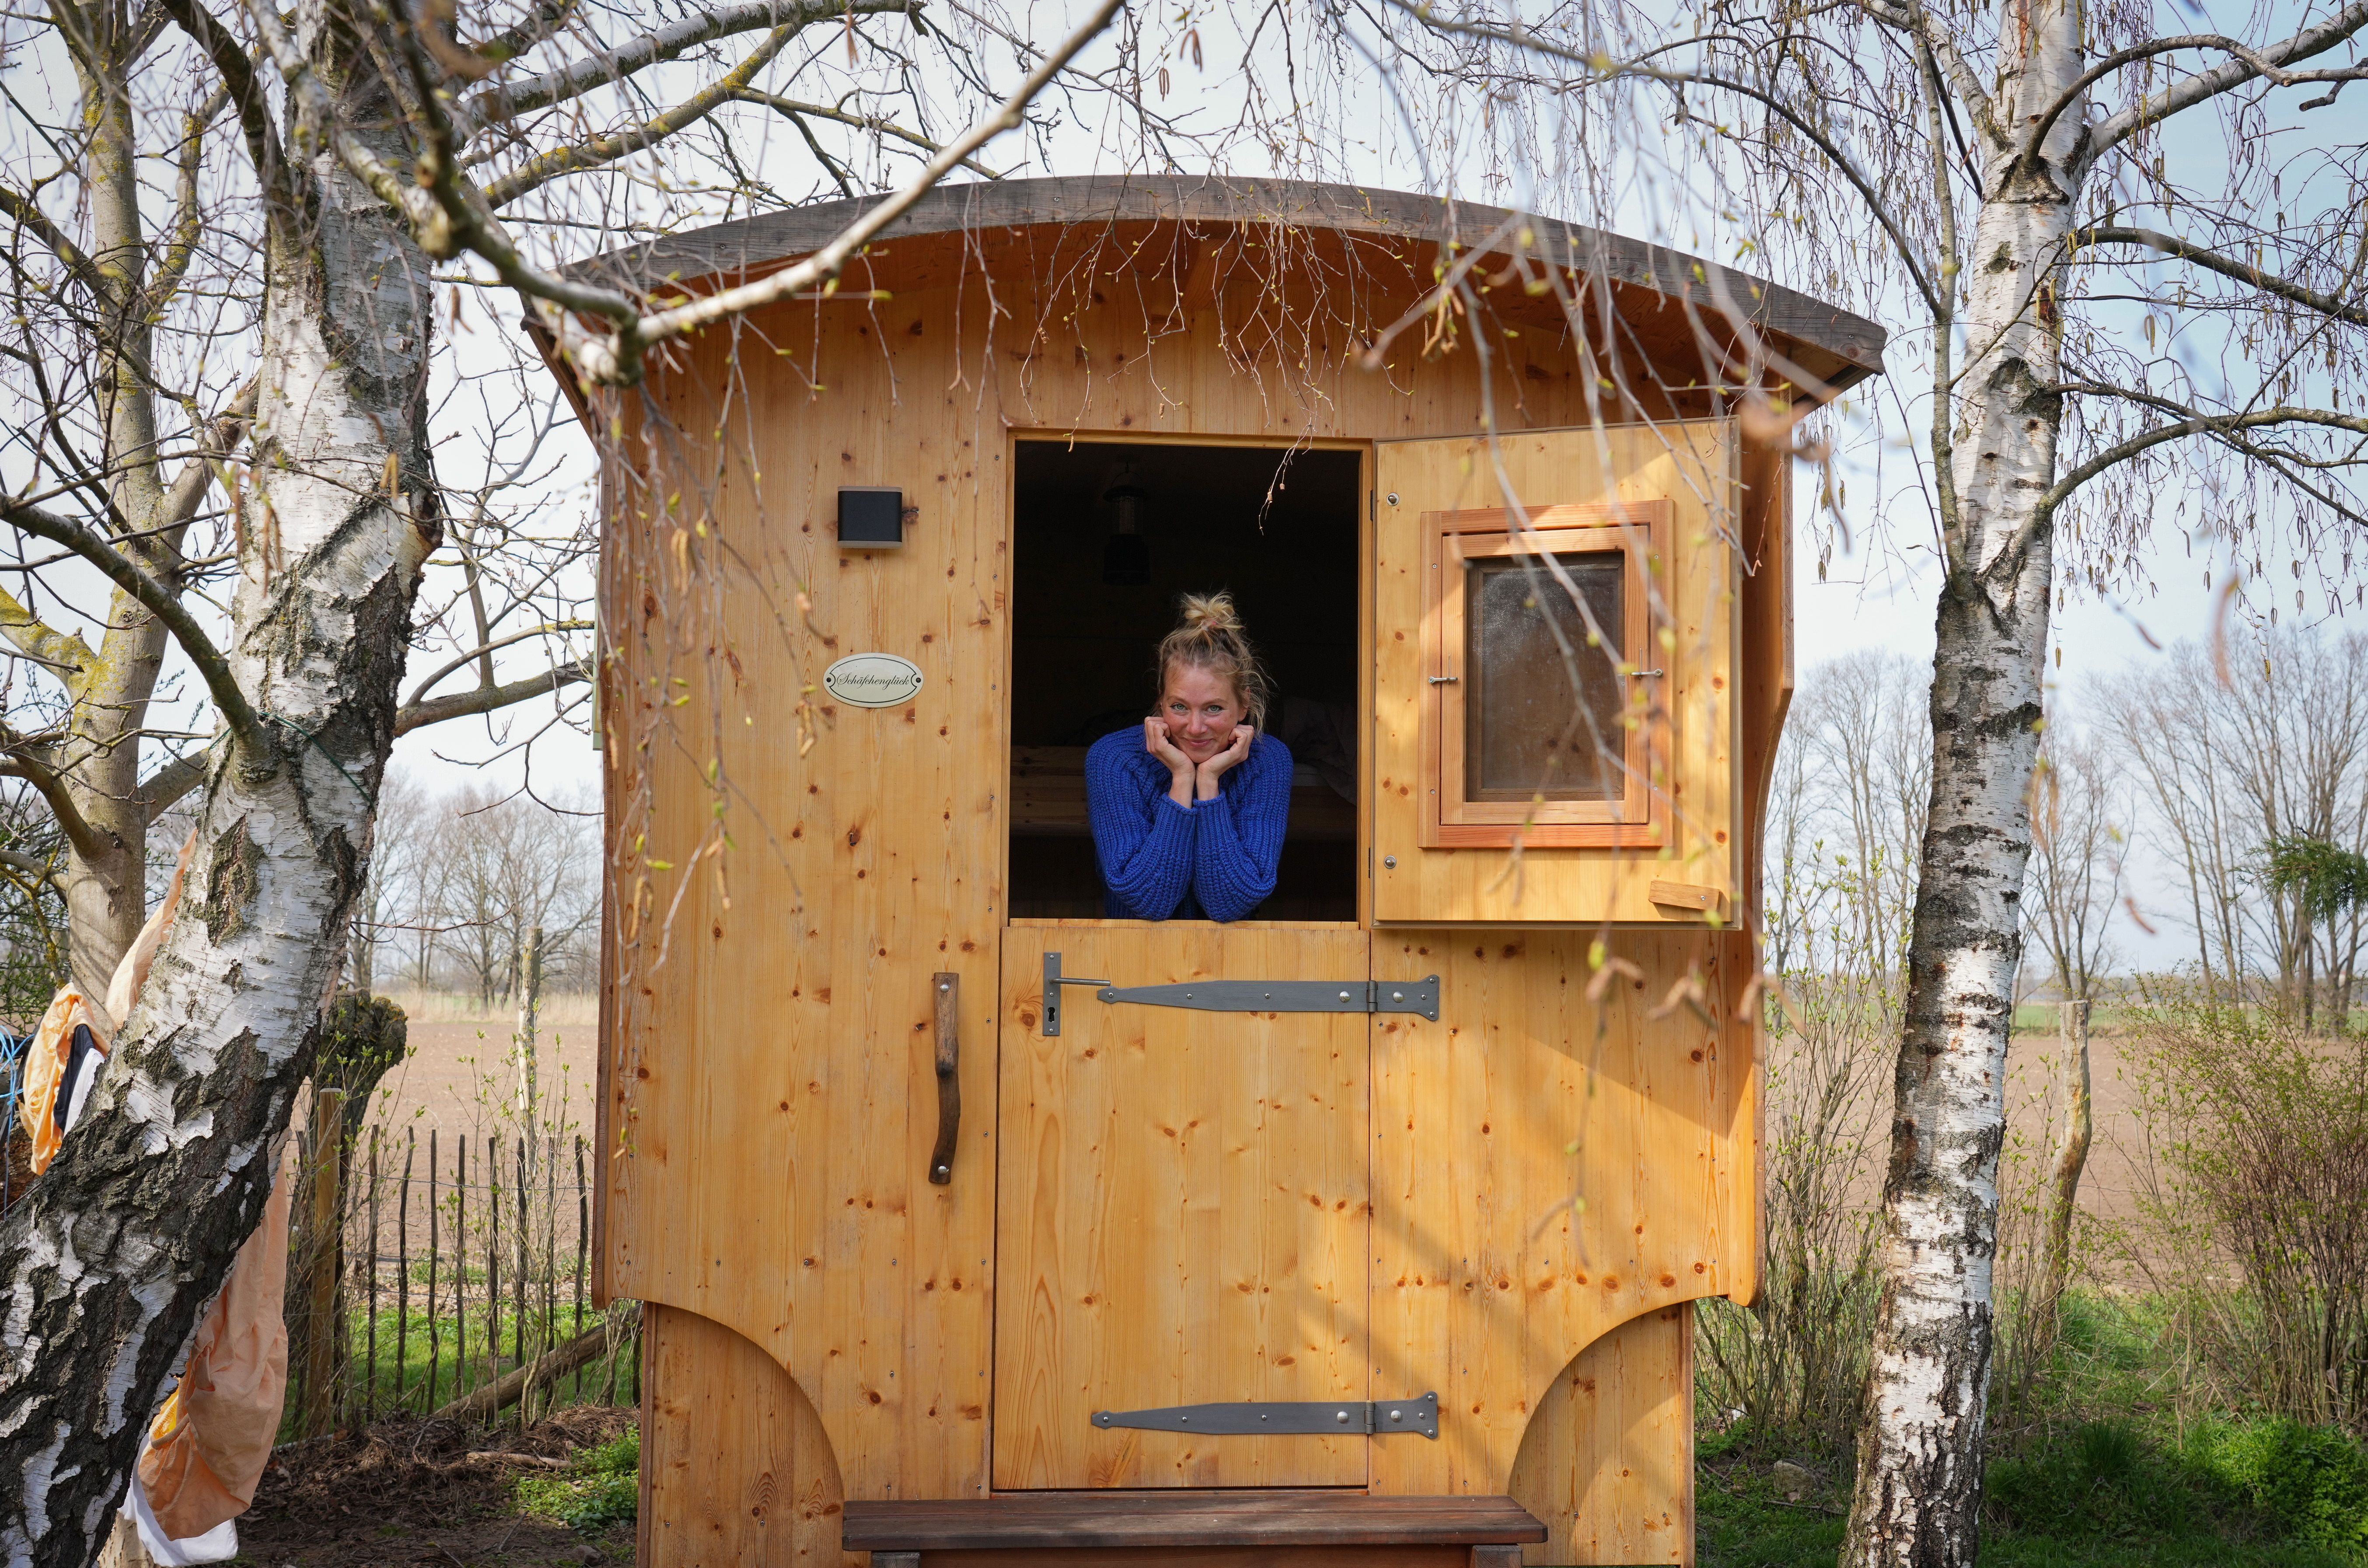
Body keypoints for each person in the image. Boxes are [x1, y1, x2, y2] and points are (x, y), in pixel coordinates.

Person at [1086, 592, 1291, 921]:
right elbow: (1147, 899)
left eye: (1214, 708)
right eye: (1179, 706)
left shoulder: (1267, 761)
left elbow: (1231, 903)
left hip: (1234, 963)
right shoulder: (1114, 759)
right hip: (1131, 961)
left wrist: (1208, 782)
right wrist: (1183, 778)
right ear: (1161, 702)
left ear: (1244, 705)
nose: (1195, 728)